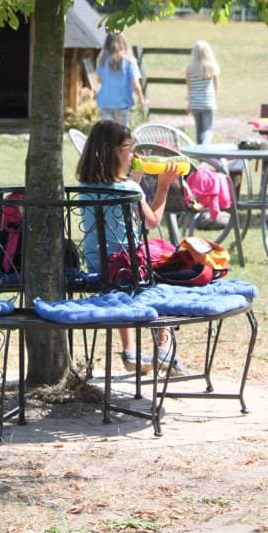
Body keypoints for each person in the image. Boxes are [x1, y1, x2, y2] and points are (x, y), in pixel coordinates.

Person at [76, 119, 188, 375]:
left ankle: (129, 351)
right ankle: (164, 348)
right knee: (160, 272)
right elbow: (152, 220)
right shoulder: (130, 188)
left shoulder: (85, 186)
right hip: (128, 268)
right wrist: (162, 187)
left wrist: (134, 179)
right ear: (117, 152)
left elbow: (117, 203)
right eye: (130, 150)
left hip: (98, 264)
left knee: (121, 282)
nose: (133, 156)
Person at [95, 32, 146, 125]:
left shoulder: (101, 61)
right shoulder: (129, 62)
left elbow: (99, 81)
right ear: (124, 43)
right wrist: (141, 97)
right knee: (121, 135)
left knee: (108, 133)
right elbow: (135, 85)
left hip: (104, 103)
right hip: (122, 103)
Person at [185, 40, 220, 143]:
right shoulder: (212, 67)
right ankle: (205, 150)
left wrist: (189, 103)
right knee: (208, 130)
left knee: (198, 131)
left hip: (195, 103)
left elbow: (189, 87)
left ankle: (199, 155)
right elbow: (216, 86)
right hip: (208, 102)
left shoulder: (189, 68)